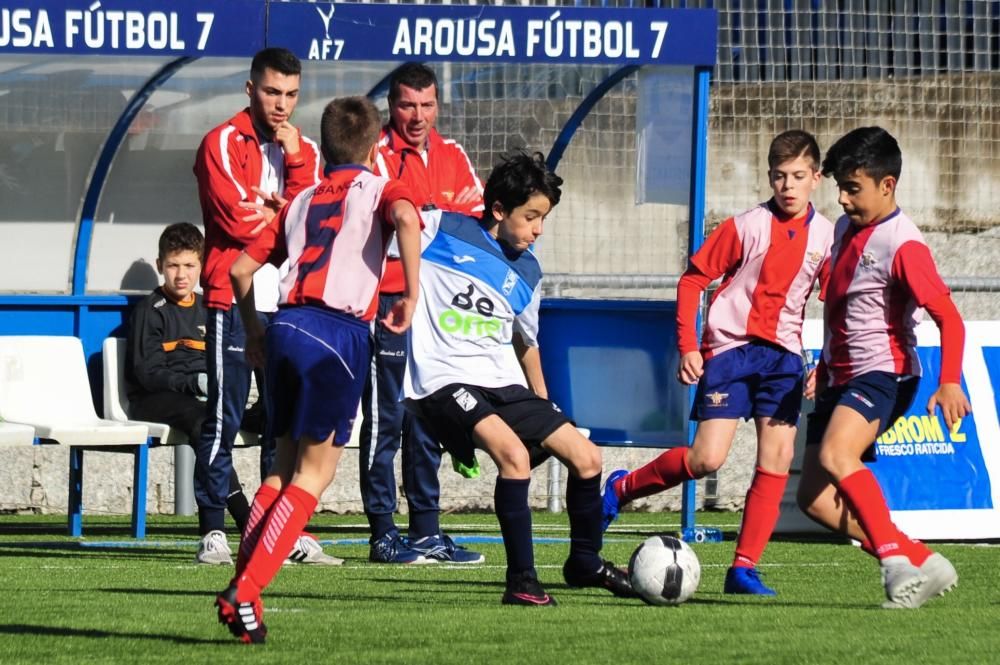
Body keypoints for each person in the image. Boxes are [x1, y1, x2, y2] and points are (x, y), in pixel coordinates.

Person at [217, 96, 423, 644]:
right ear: (377, 144)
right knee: (316, 474)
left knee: (281, 472)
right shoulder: (381, 188)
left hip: (285, 327)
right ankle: (245, 592)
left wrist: (256, 334)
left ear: (324, 146)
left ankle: (244, 592)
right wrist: (412, 294)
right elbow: (405, 217)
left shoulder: (299, 200)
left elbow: (240, 271)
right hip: (338, 334)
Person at [601, 130, 834, 596]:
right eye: (779, 176)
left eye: (799, 176)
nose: (788, 186)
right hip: (730, 351)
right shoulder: (745, 226)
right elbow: (693, 281)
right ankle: (622, 489)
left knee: (776, 458)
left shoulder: (829, 236)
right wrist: (689, 345)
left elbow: (839, 303)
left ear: (817, 178)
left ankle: (743, 568)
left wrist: (825, 362)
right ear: (769, 177)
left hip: (785, 357)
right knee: (707, 458)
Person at [403, 151, 634, 605]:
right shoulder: (442, 228)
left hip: (501, 383)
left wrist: (546, 407)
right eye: (531, 217)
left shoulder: (529, 272)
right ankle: (522, 582)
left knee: (586, 457)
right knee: (515, 458)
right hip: (444, 379)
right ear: (498, 210)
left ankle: (584, 562)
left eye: (543, 219)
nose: (537, 230)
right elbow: (398, 219)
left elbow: (526, 343)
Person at [796, 126, 969, 609]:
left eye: (854, 188)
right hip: (840, 374)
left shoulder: (904, 244)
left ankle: (895, 564)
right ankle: (922, 560)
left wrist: (951, 379)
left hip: (884, 374)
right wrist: (826, 365)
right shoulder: (843, 230)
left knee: (836, 456)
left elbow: (949, 319)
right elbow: (840, 308)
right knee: (814, 498)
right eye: (841, 188)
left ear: (887, 185)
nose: (844, 199)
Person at [192, 47, 335, 566]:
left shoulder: (306, 150)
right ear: (250, 89)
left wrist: (291, 178)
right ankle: (212, 530)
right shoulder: (221, 142)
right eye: (272, 92)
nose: (282, 104)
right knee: (223, 417)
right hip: (232, 297)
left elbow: (315, 219)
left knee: (285, 424)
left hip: (289, 304)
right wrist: (285, 217)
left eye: (291, 94)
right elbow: (234, 222)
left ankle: (284, 530)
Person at [360, 62, 485, 564]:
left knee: (429, 416)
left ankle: (427, 531)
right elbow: (394, 228)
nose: (418, 116)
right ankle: (382, 531)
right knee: (386, 416)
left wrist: (430, 221)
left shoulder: (453, 154)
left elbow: (473, 223)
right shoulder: (375, 155)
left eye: (427, 105)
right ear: (392, 107)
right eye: (408, 105)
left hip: (437, 307)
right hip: (388, 302)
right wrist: (437, 219)